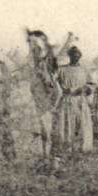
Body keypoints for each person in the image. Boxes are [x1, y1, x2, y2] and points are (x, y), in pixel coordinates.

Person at [24, 30, 62, 158]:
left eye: (38, 48)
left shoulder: (49, 64)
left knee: (48, 130)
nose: (35, 50)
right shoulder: (32, 63)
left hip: (47, 99)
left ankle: (49, 157)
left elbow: (53, 85)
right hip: (36, 97)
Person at [55, 45, 96, 154]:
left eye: (77, 55)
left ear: (80, 57)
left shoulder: (84, 70)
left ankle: (84, 148)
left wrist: (86, 89)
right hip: (67, 100)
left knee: (83, 123)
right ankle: (67, 148)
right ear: (69, 56)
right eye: (73, 55)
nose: (75, 57)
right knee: (67, 124)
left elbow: (91, 85)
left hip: (80, 100)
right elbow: (53, 83)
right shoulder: (62, 70)